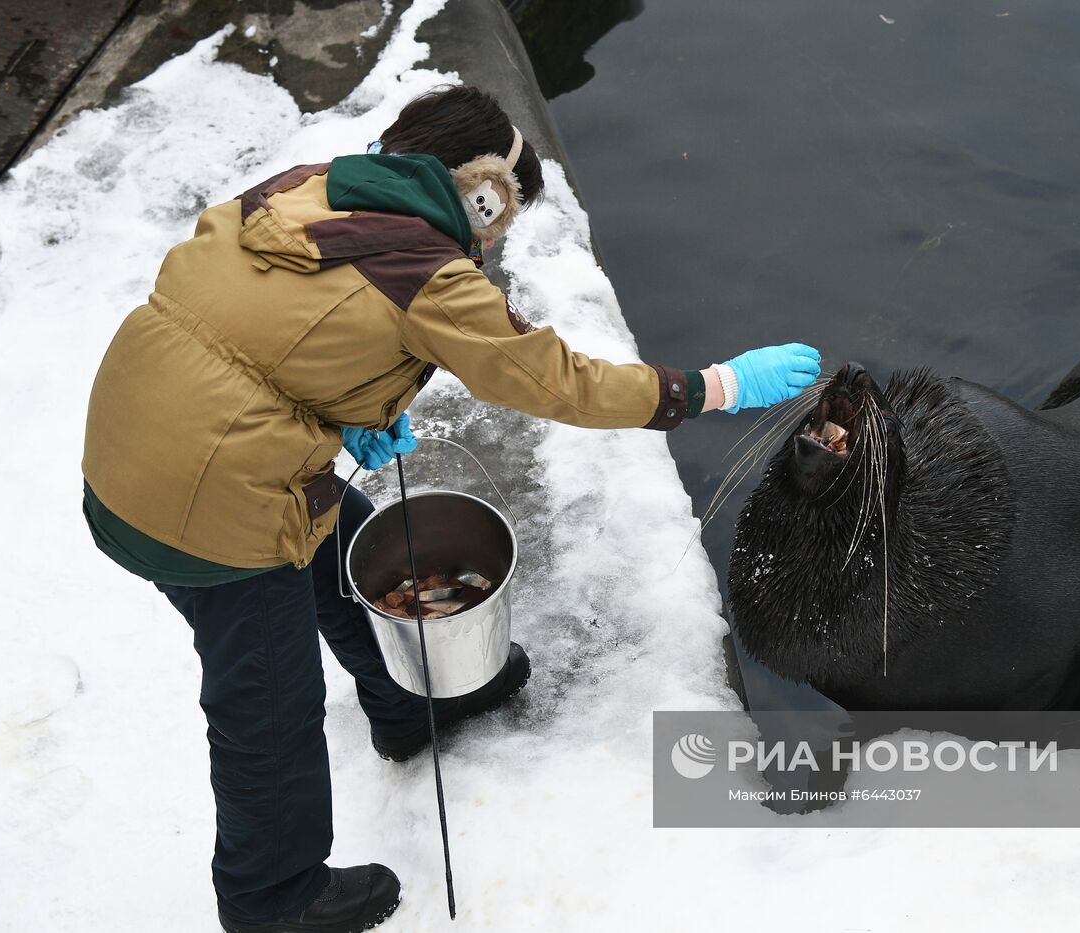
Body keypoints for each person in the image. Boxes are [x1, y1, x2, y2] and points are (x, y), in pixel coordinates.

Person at [81, 85, 820, 933]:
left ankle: (407, 700)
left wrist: (349, 407)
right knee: (265, 702)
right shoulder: (427, 272)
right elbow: (554, 378)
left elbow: (268, 320)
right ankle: (272, 896)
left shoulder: (309, 187)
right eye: (500, 219)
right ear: (480, 191)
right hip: (200, 502)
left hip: (133, 441)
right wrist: (712, 386)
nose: (495, 243)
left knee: (350, 537)